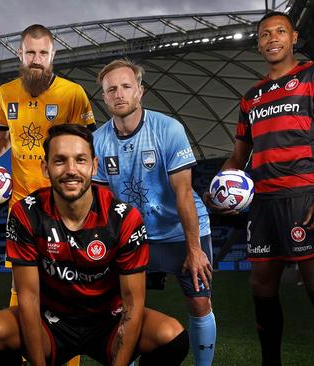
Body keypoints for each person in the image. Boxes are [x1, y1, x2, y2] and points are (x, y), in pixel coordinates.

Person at [0, 124, 189, 366]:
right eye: (60, 161)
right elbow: (28, 298)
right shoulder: (26, 213)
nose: (71, 170)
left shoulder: (124, 218)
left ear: (94, 166)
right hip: (51, 323)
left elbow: (133, 303)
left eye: (80, 160)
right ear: (45, 168)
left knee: (171, 335)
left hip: (109, 320)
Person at [204, 11, 314, 366]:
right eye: (265, 34)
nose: (272, 38)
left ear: (293, 38)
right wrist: (216, 188)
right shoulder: (251, 97)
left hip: (303, 195)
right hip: (263, 203)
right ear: (258, 43)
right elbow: (238, 157)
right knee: (260, 288)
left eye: (280, 31)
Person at [92, 59, 217, 365]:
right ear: (104, 98)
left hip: (181, 233)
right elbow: (103, 202)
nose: (119, 94)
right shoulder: (98, 140)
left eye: (125, 86)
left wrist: (194, 248)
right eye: (111, 90)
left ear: (140, 91)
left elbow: (184, 193)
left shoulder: (168, 129)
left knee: (199, 303)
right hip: (135, 237)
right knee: (125, 309)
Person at [0, 23, 96, 366]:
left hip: (64, 209)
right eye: (30, 52)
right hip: (21, 208)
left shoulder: (73, 93)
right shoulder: (5, 93)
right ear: (20, 54)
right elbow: (1, 141)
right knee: (22, 294)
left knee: (66, 293)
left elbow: (85, 148)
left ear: (53, 56)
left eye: (43, 53)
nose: (36, 60)